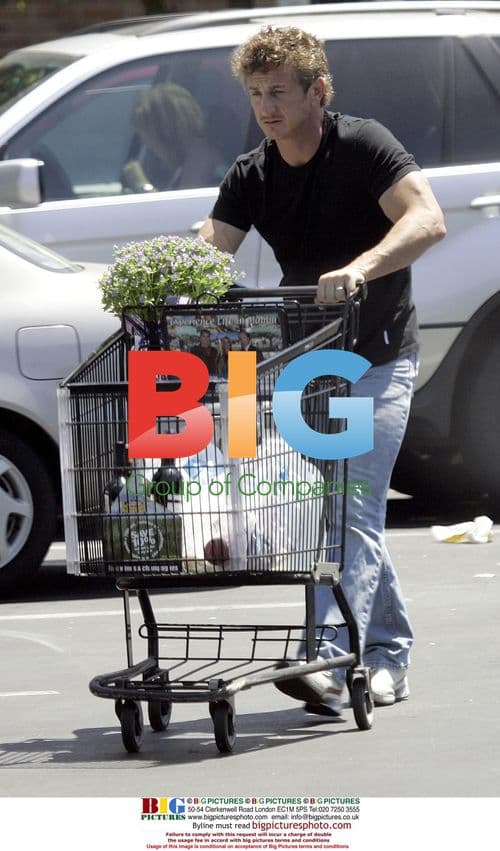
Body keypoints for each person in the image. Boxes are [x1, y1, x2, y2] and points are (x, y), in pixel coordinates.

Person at [199, 25, 446, 714]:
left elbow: (426, 219)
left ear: (319, 91)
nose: (267, 107)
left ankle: (329, 660)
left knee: (349, 505)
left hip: (376, 356)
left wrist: (362, 267)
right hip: (307, 365)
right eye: (256, 94)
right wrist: (172, 273)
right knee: (334, 512)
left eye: (279, 91)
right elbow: (210, 245)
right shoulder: (252, 173)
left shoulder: (363, 145)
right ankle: (388, 655)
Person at [122, 82, 222, 193]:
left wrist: (142, 184)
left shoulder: (200, 158)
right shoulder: (191, 158)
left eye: (149, 137)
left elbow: (184, 203)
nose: (149, 146)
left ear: (165, 132)